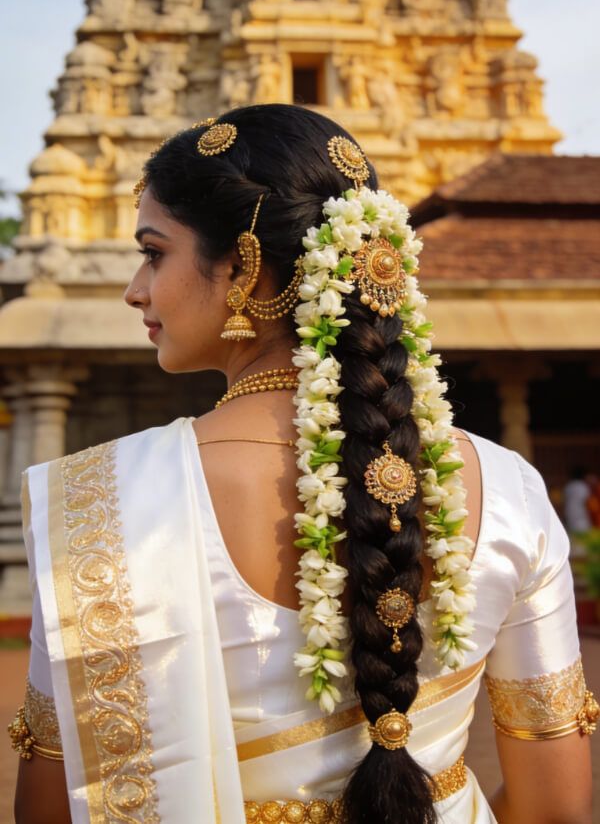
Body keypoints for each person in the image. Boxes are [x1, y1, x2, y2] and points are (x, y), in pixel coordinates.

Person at [10, 105, 598, 824]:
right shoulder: (508, 489)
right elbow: (558, 807)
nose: (135, 288)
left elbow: (48, 809)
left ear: (245, 268)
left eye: (154, 253)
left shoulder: (97, 501)